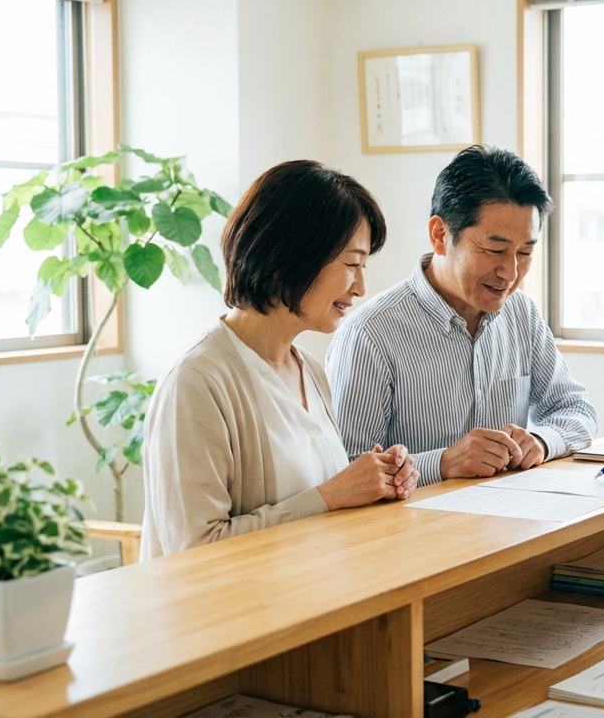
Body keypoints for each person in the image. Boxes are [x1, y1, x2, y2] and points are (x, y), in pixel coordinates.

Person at [141, 161, 419, 559]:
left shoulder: (310, 370)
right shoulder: (196, 383)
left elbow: (319, 510)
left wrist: (378, 483)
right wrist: (330, 496)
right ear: (291, 254)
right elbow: (194, 549)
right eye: (352, 264)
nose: (360, 287)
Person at [327, 145, 596, 486]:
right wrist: (442, 462)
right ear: (440, 235)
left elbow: (577, 411)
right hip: (415, 533)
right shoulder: (370, 333)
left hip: (508, 520)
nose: (510, 272)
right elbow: (346, 468)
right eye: (495, 250)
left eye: (525, 251)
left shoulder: (521, 314)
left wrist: (542, 440)